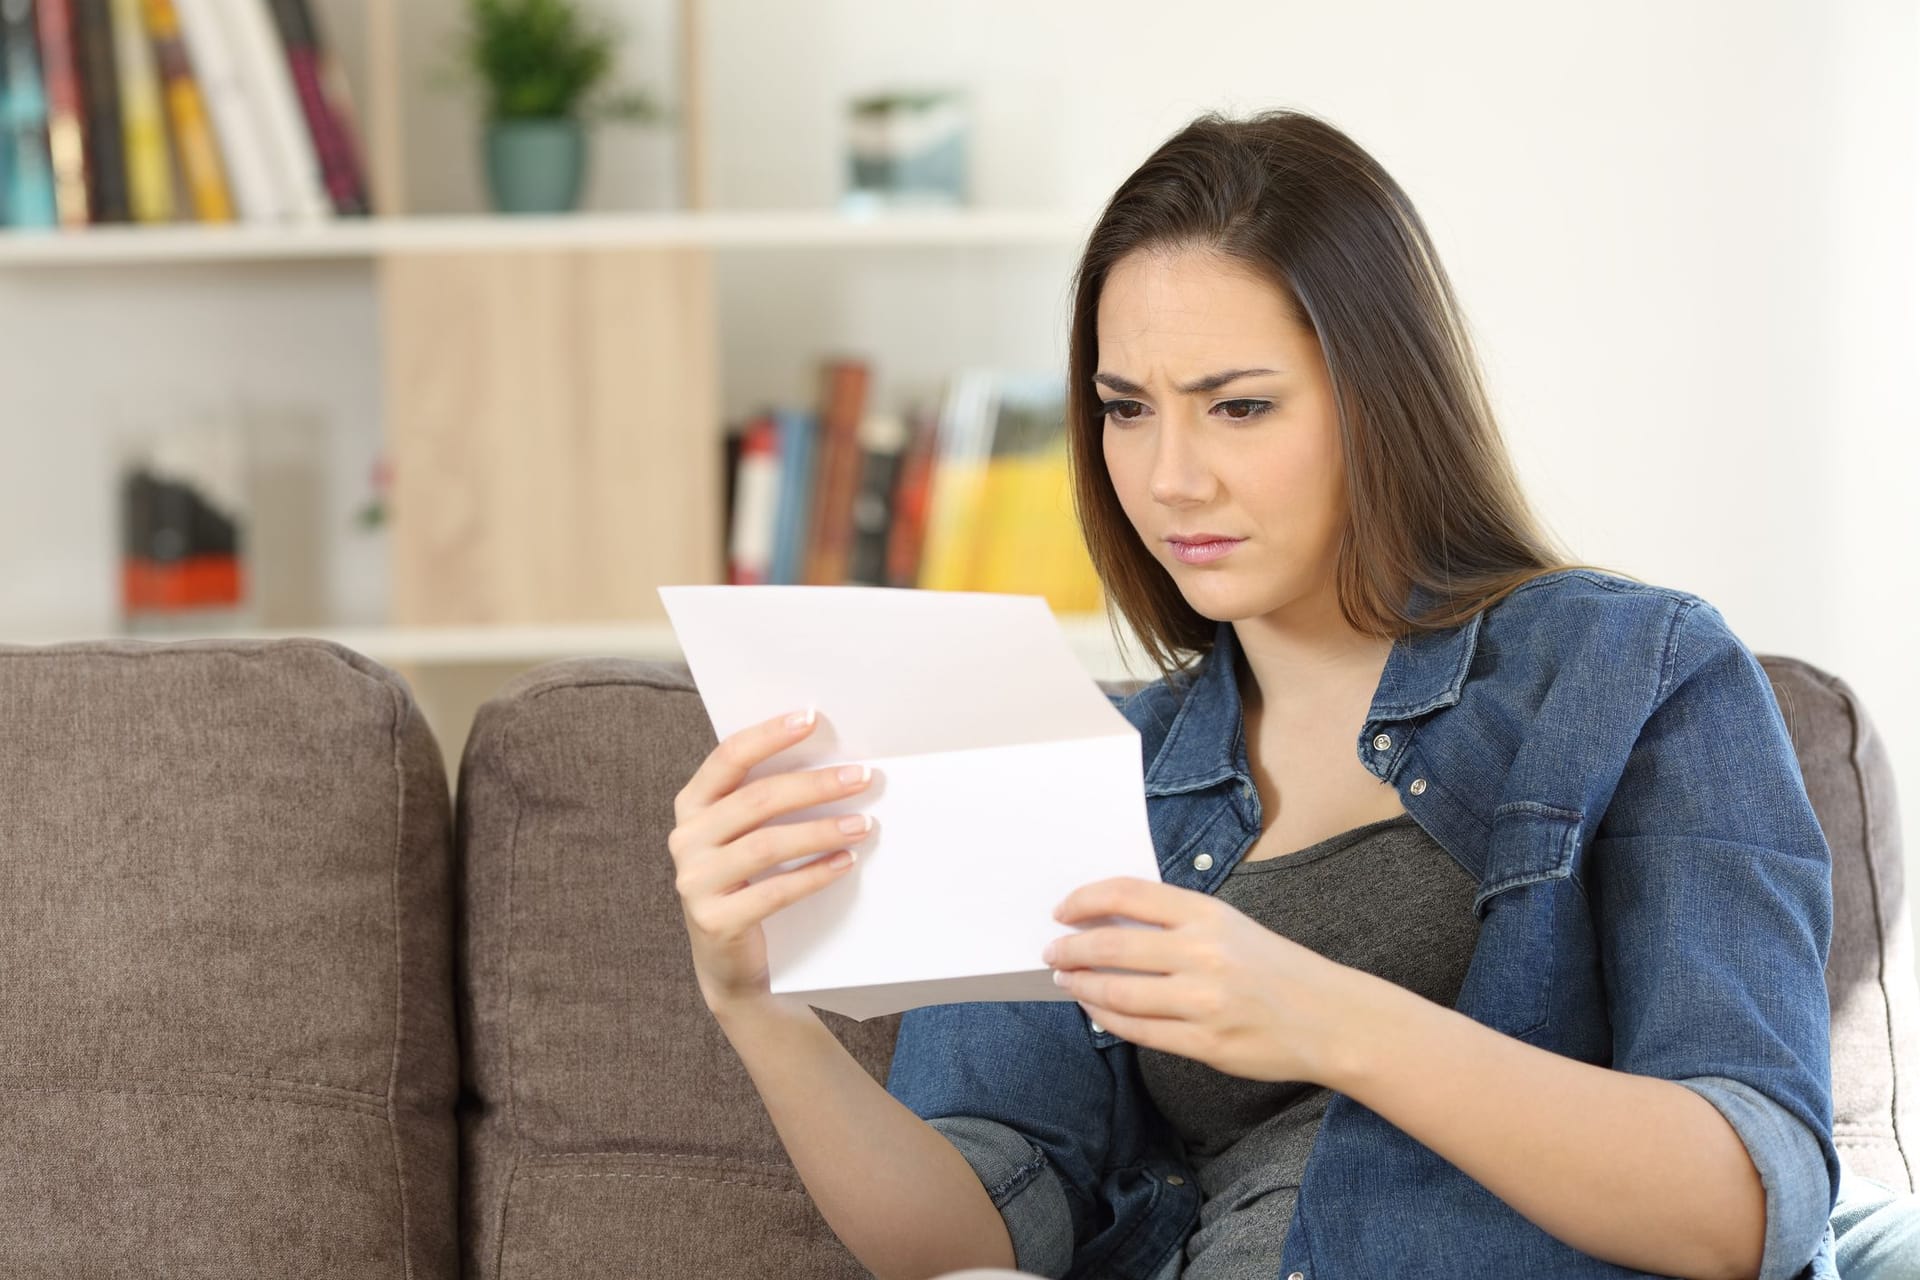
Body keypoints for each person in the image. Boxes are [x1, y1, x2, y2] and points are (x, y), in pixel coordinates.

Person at [666, 110, 1920, 1279]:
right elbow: (974, 1232)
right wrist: (755, 1007)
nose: (1170, 479)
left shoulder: (1632, 675)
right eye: (1125, 410)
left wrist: (1324, 1015)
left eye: (1239, 407)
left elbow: (1752, 1199)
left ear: (1382, 398)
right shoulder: (1084, 761)